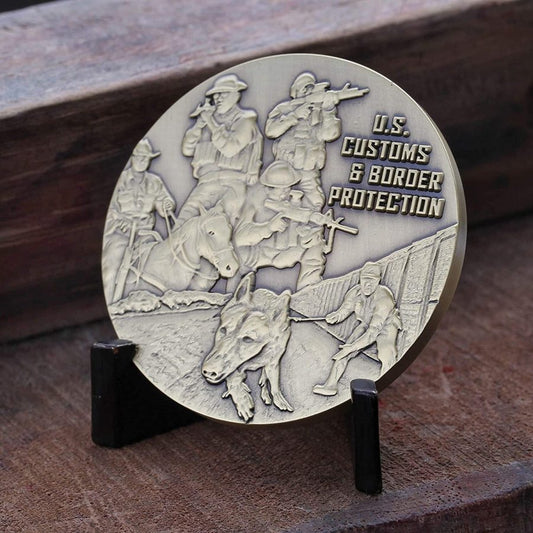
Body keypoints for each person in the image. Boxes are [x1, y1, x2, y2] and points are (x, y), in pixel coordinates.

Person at [178, 73, 263, 225]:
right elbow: (187, 150)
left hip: (232, 184)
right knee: (182, 225)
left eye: (223, 93)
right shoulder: (207, 119)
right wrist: (198, 126)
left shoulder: (245, 119)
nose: (218, 98)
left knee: (218, 226)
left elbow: (230, 149)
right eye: (216, 95)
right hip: (205, 184)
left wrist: (210, 122)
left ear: (236, 95)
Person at [233, 161, 328, 290]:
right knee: (235, 257)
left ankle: (308, 290)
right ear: (268, 189)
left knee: (314, 249)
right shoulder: (254, 205)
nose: (286, 193)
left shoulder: (293, 203)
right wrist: (268, 228)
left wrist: (308, 228)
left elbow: (303, 217)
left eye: (288, 188)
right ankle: (234, 294)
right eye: (282, 189)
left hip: (285, 254)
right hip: (258, 254)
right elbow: (239, 238)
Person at [102, 138, 176, 303]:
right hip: (122, 233)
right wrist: (119, 220)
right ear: (132, 158)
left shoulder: (155, 182)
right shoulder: (119, 180)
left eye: (146, 158)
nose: (142, 161)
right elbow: (110, 208)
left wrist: (166, 205)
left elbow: (163, 203)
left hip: (146, 234)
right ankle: (110, 300)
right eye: (139, 157)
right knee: (111, 265)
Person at [313, 262, 402, 396]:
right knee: (344, 351)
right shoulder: (354, 293)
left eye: (372, 280)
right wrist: (335, 317)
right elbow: (344, 310)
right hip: (366, 323)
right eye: (365, 279)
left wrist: (352, 347)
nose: (368, 284)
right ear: (360, 279)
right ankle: (330, 386)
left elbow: (372, 333)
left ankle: (387, 388)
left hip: (386, 325)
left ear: (378, 281)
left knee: (386, 352)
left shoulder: (384, 299)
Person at [265, 72, 342, 211]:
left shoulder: (319, 112)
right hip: (285, 166)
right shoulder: (284, 108)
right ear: (295, 91)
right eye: (304, 88)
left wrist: (329, 110)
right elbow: (271, 131)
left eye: (311, 89)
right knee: (274, 203)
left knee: (316, 202)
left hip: (308, 168)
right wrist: (294, 115)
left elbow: (330, 134)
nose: (307, 92)